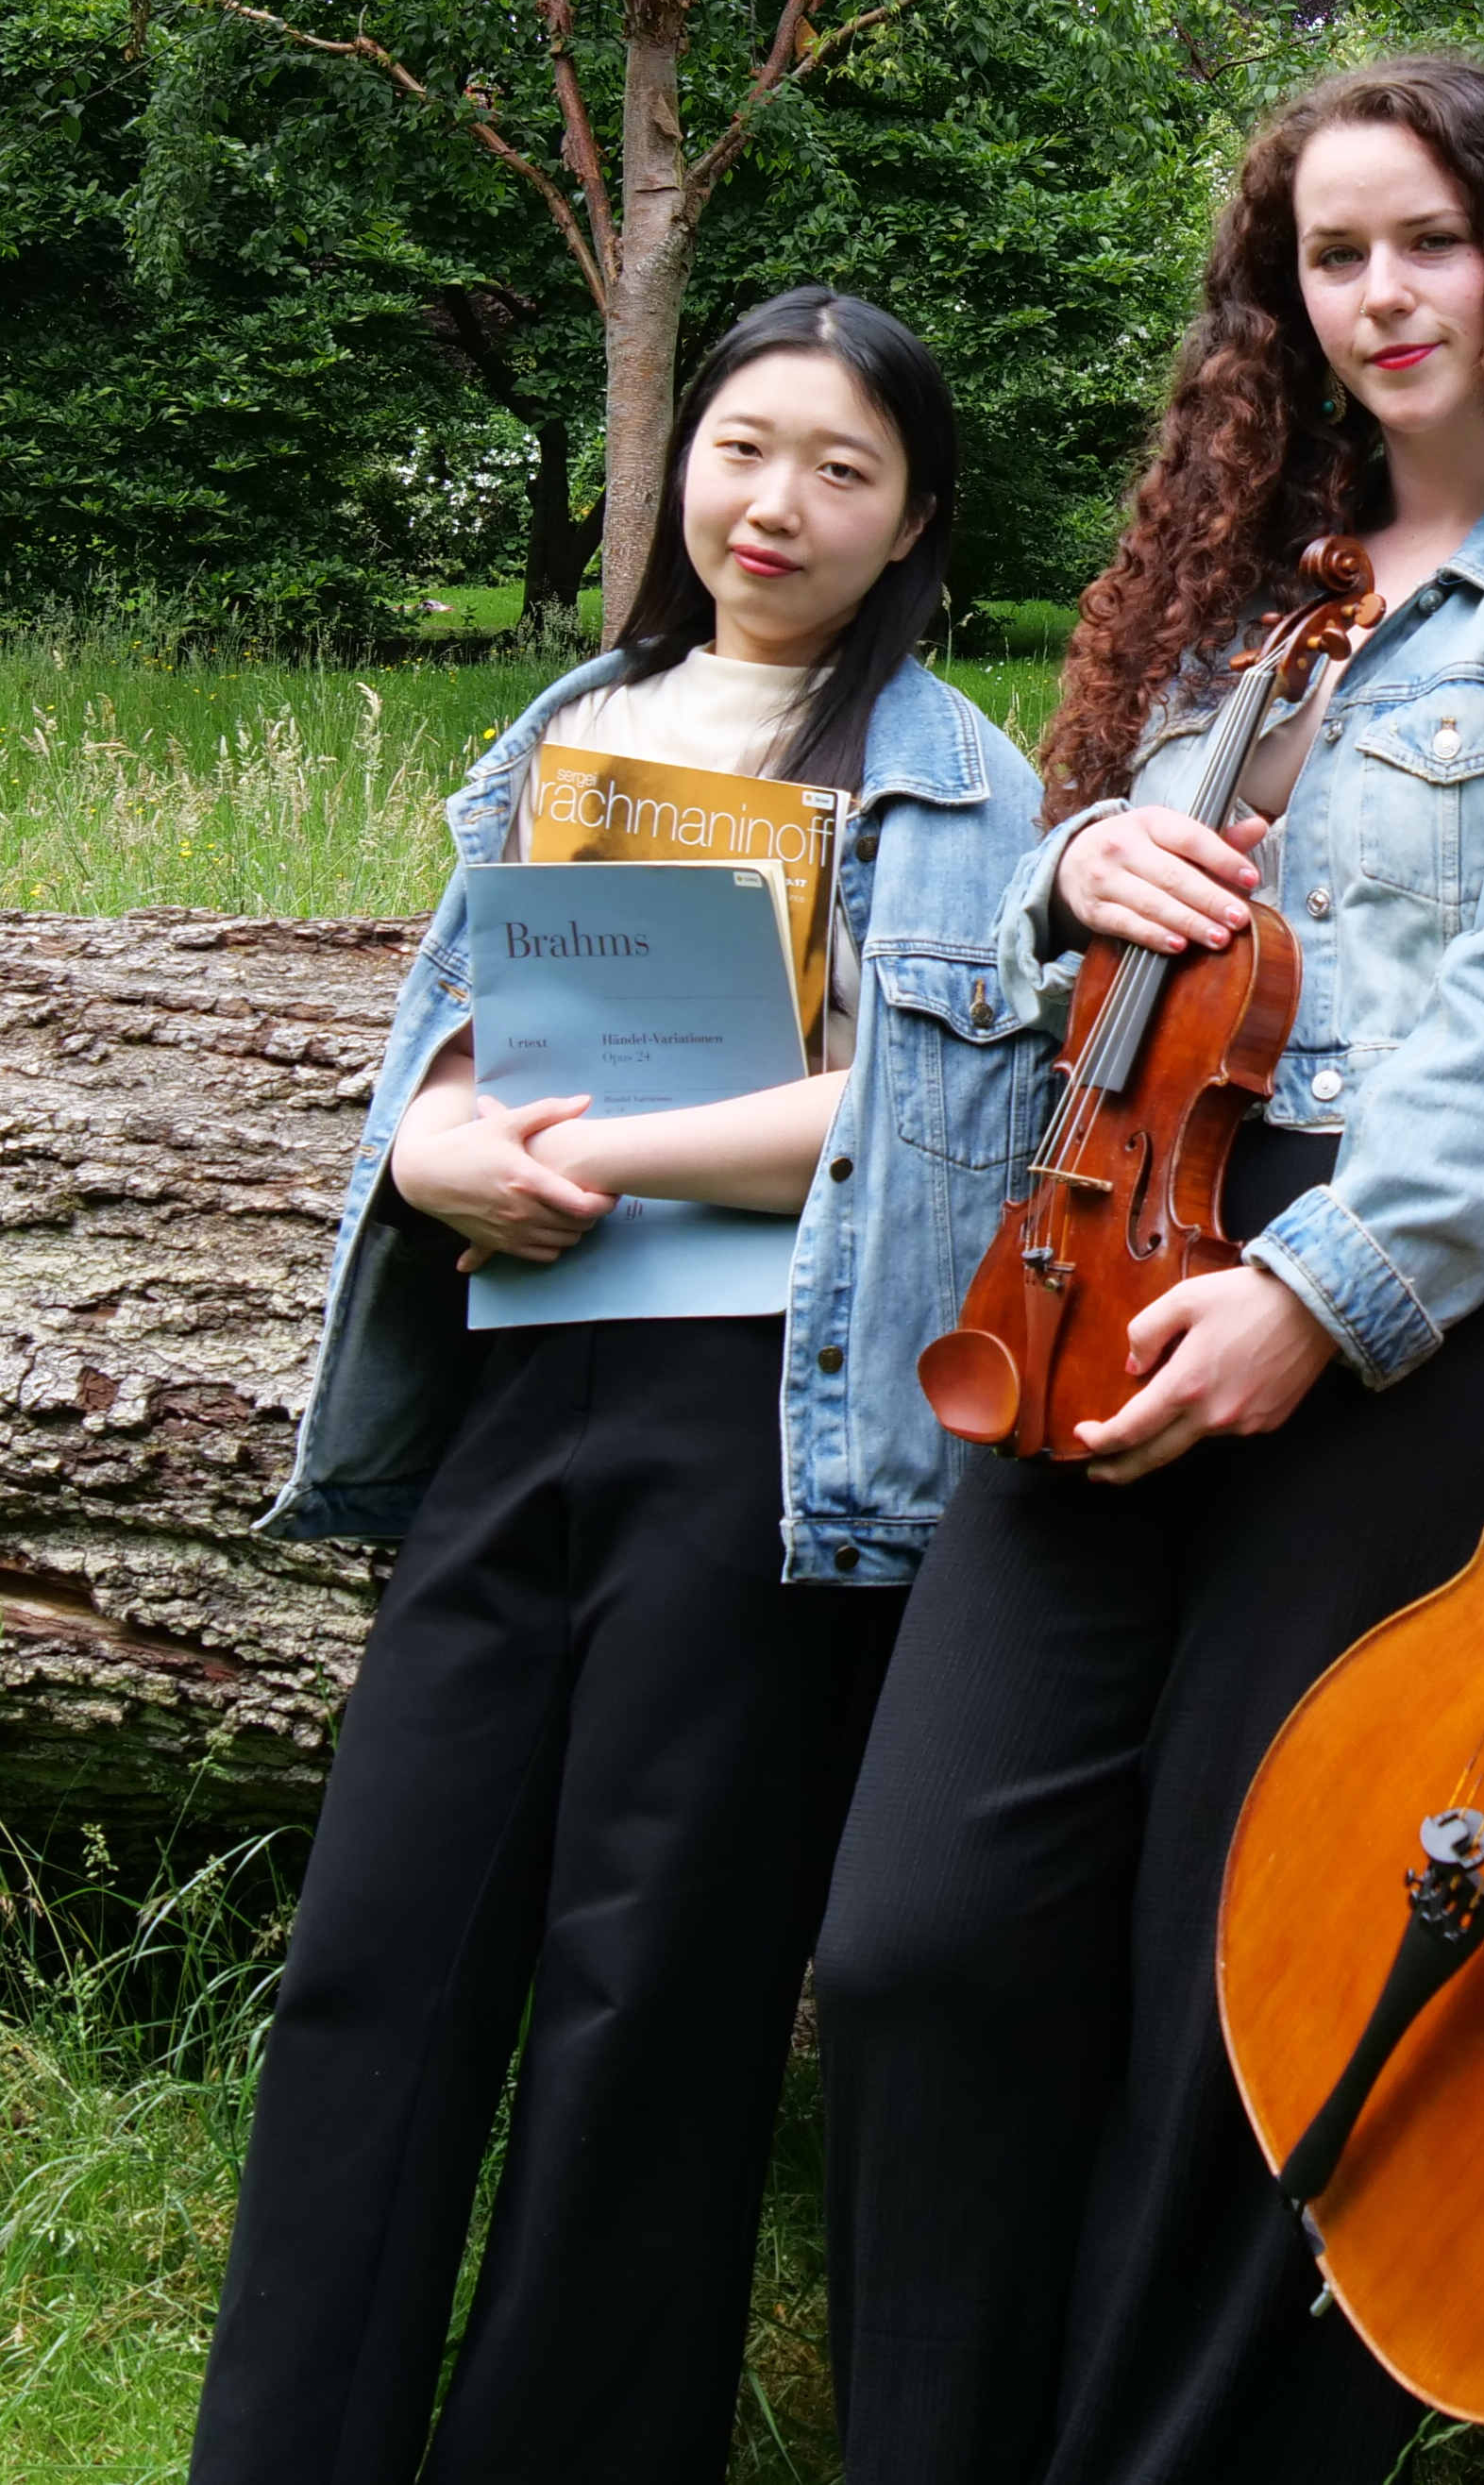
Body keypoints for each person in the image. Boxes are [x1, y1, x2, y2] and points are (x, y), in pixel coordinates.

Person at [811, 53, 1484, 2485]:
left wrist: (1317, 1297)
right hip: (1128, 1252)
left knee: (1259, 1963)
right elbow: (1097, 964)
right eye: (1335, 257)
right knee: (919, 1936)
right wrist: (1068, 884)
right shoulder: (1251, 619)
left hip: (1448, 1308)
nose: (1382, 296)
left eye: (1431, 240)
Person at [201, 289, 1050, 2485]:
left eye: (843, 470)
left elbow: (920, 1130)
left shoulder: (956, 780)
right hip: (506, 1398)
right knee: (377, 1957)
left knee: (644, 1997)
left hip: (757, 1426)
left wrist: (606, 1155)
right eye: (746, 447)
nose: (778, 503)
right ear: (681, 465)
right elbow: (451, 1057)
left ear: (914, 521)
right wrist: (428, 1151)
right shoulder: (576, 724)